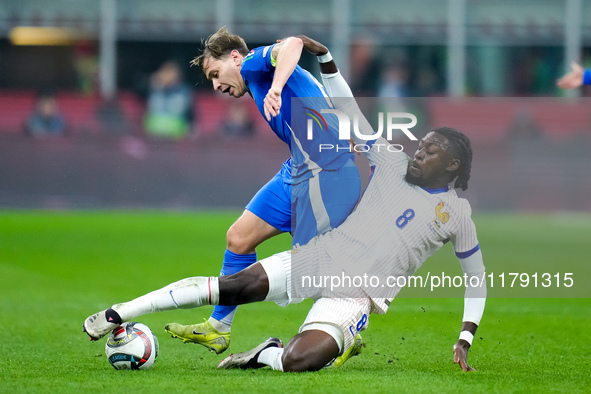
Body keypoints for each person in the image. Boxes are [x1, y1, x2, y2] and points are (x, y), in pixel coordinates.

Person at [83, 123, 486, 372]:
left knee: (299, 361)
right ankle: (118, 312)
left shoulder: (457, 214)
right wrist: (326, 61)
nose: (419, 151)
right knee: (232, 287)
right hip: (322, 257)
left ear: (451, 166)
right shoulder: (392, 163)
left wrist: (465, 337)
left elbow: (477, 280)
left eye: (431, 151)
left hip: (356, 296)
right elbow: (351, 111)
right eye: (422, 144)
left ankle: (264, 355)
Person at [162, 27, 361, 357]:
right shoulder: (256, 77)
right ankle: (218, 328)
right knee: (239, 237)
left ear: (235, 58)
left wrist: (277, 89)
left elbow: (294, 43)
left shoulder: (253, 63)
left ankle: (345, 329)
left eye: (215, 74)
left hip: (326, 176)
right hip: (297, 170)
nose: (216, 86)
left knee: (318, 271)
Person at [144, 61, 194, 139]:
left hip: (176, 133)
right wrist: (154, 85)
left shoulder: (184, 90)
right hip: (154, 132)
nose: (168, 76)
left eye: (171, 73)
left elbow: (190, 113)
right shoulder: (153, 88)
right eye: (166, 73)